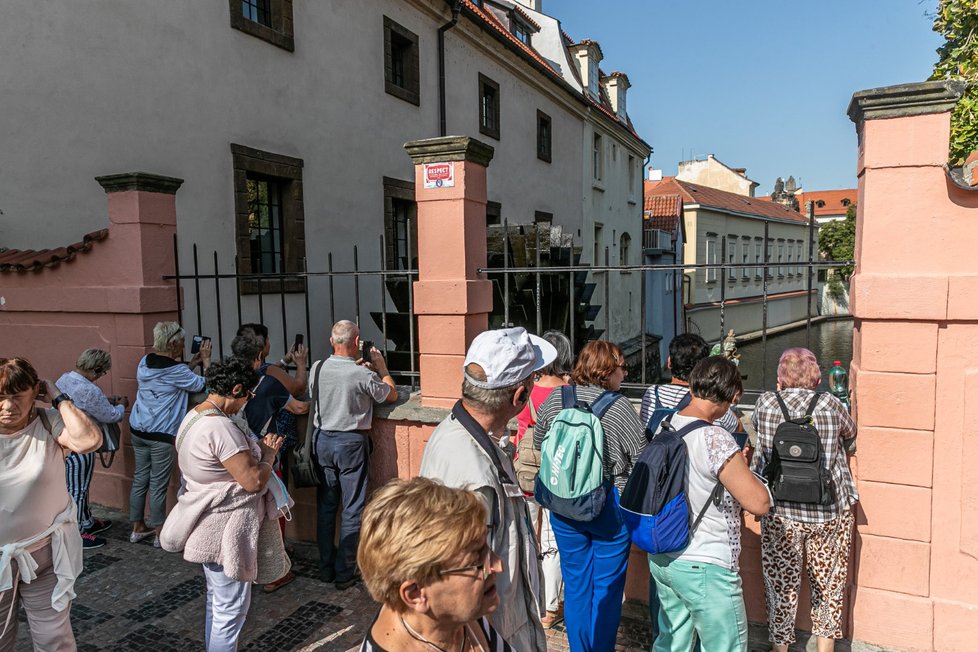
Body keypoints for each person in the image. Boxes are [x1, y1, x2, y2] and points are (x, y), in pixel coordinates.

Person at [421, 327, 556, 652]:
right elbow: (453, 584)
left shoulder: (455, 433)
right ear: (519, 397)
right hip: (494, 636)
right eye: (532, 380)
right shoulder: (475, 475)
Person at [159, 357, 289, 651]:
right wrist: (268, 454)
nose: (248, 401)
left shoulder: (193, 416)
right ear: (237, 389)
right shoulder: (220, 429)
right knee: (231, 612)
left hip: (205, 520)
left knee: (217, 603)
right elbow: (253, 481)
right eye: (249, 395)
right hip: (224, 529)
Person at [647, 356, 772, 652]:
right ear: (733, 397)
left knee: (672, 642)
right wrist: (743, 466)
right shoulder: (716, 438)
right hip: (705, 563)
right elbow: (758, 503)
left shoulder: (666, 424)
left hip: (664, 557)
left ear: (692, 386)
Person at [532, 340, 645, 652]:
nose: (625, 372)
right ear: (608, 371)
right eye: (622, 367)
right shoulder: (620, 406)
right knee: (606, 589)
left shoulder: (557, 398)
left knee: (577, 584)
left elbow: (540, 443)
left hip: (563, 503)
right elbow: (640, 459)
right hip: (609, 506)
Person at [750, 348, 857, 652]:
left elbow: (758, 431)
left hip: (780, 510)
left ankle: (780, 648)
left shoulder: (767, 402)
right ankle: (825, 648)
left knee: (781, 585)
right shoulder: (831, 404)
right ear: (816, 375)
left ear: (781, 376)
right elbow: (851, 432)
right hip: (828, 510)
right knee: (829, 584)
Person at [639, 333, 741, 640]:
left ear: (669, 362)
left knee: (669, 623)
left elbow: (646, 434)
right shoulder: (715, 425)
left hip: (661, 517)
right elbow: (734, 428)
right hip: (702, 545)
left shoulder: (654, 401)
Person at [0, 357, 102, 651]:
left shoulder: (48, 422)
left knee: (54, 640)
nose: (8, 406)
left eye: (17, 396)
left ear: (35, 392)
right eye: (1, 397)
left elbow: (89, 440)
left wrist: (59, 398)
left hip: (46, 554)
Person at [357, 477, 515, 651]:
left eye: (486, 548)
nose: (498, 565)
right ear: (414, 593)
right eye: (476, 561)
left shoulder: (458, 613)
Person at [310, 320, 398, 589]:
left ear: (331, 341)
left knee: (326, 506)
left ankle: (325, 568)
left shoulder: (318, 367)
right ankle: (345, 571)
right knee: (352, 508)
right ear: (357, 343)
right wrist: (381, 368)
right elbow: (390, 395)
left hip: (321, 441)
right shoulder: (362, 375)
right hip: (350, 443)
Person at [231, 331, 308, 594]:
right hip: (263, 452)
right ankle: (275, 571)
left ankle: (242, 565)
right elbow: (298, 407)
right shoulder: (268, 383)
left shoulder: (229, 380)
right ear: (259, 356)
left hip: (232, 454)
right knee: (273, 507)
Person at [128, 321, 211, 547]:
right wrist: (205, 360)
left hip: (138, 428)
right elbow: (206, 386)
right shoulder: (176, 371)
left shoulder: (144, 362)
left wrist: (190, 364)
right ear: (173, 343)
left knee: (140, 478)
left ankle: (137, 528)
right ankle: (158, 532)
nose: (184, 345)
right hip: (161, 435)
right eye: (182, 342)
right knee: (158, 484)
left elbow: (171, 376)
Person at [513, 329, 572, 630]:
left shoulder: (528, 389)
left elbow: (520, 431)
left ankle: (527, 597)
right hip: (558, 475)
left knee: (526, 536)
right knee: (552, 541)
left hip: (526, 472)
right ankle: (549, 608)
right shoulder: (569, 393)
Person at [55, 348, 128, 549]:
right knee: (78, 489)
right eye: (102, 372)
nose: (101, 377)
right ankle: (78, 532)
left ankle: (86, 520)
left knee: (77, 486)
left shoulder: (65, 379)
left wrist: (106, 401)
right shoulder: (89, 390)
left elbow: (88, 405)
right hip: (81, 445)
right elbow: (111, 415)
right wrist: (121, 405)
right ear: (95, 369)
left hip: (63, 440)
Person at [640, 333, 740, 434]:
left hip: (657, 448)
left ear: (669, 362)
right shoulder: (712, 402)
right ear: (703, 369)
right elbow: (738, 430)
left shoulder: (651, 394)